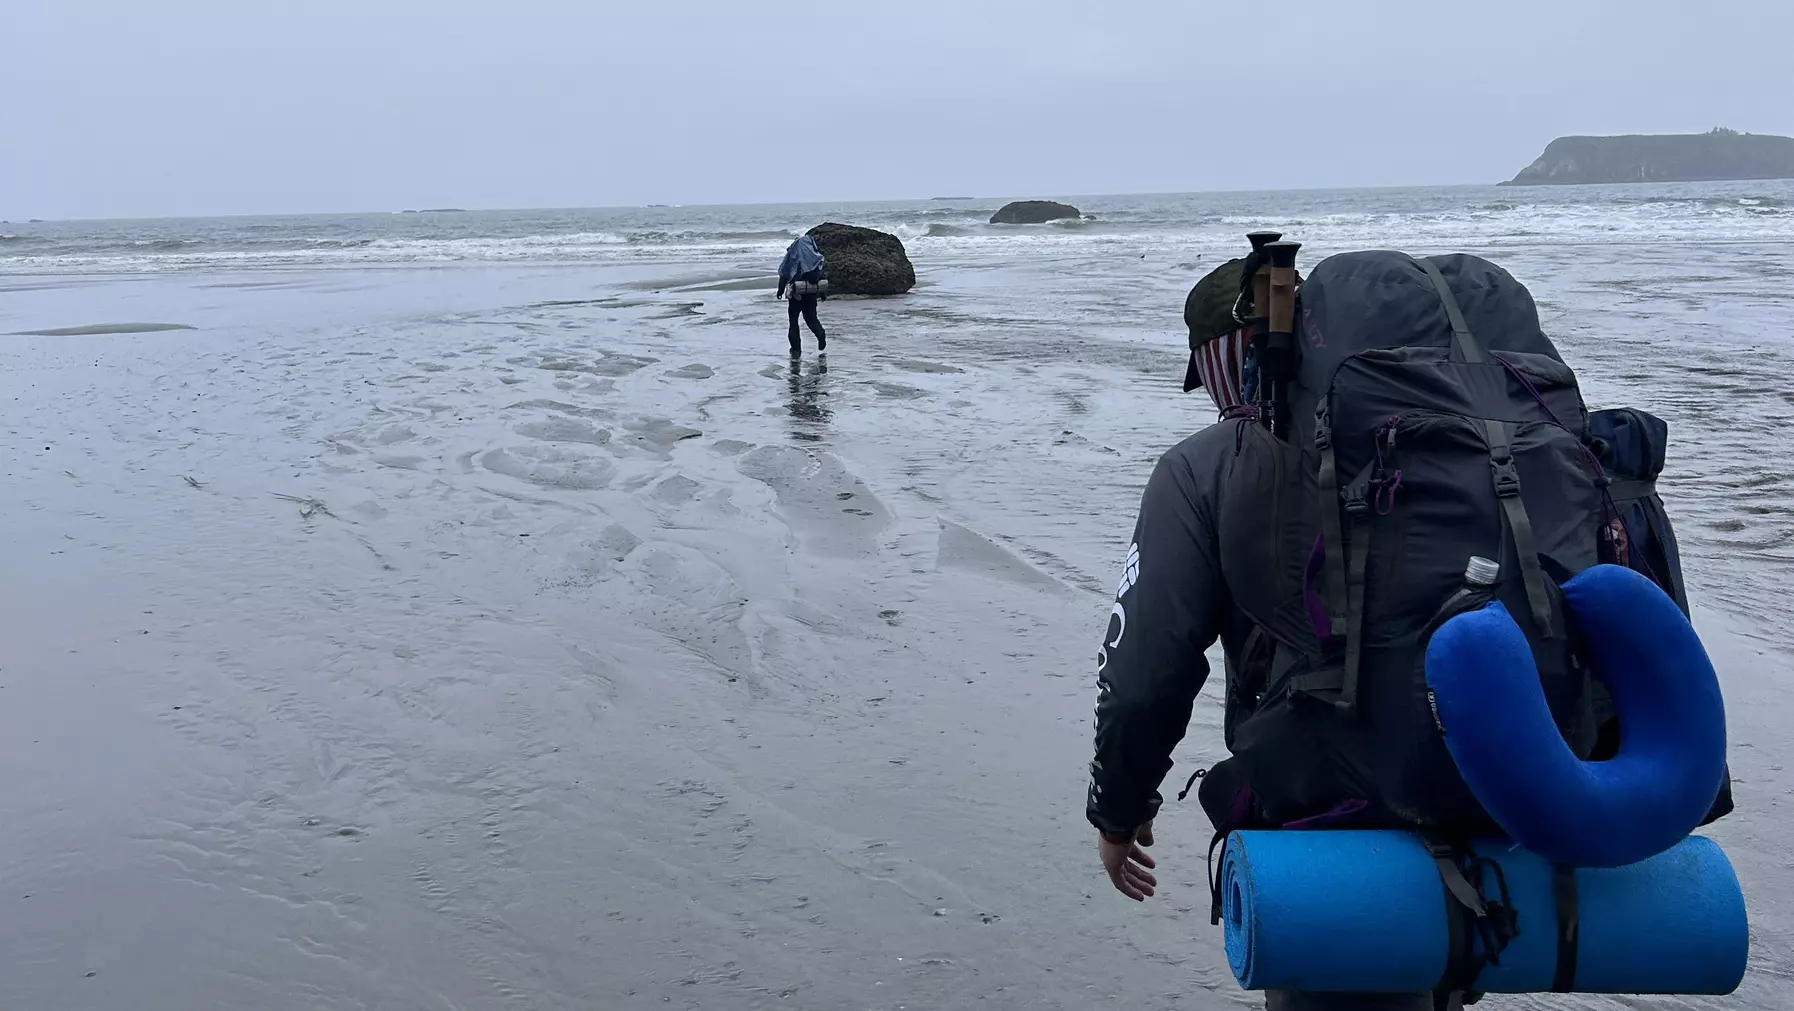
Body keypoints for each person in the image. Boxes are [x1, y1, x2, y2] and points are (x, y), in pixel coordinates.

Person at [1085, 257, 1459, 1011]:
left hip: (1324, 825)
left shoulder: (1209, 468)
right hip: (1477, 791)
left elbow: (1143, 677)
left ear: (1226, 358)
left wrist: (1117, 811)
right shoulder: (1445, 444)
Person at [777, 233, 828, 354]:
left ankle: (796, 348)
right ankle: (820, 333)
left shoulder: (791, 257)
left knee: (793, 321)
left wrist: (780, 290)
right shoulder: (815, 259)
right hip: (810, 294)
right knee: (811, 318)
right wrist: (822, 294)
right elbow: (820, 278)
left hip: (795, 295)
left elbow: (784, 274)